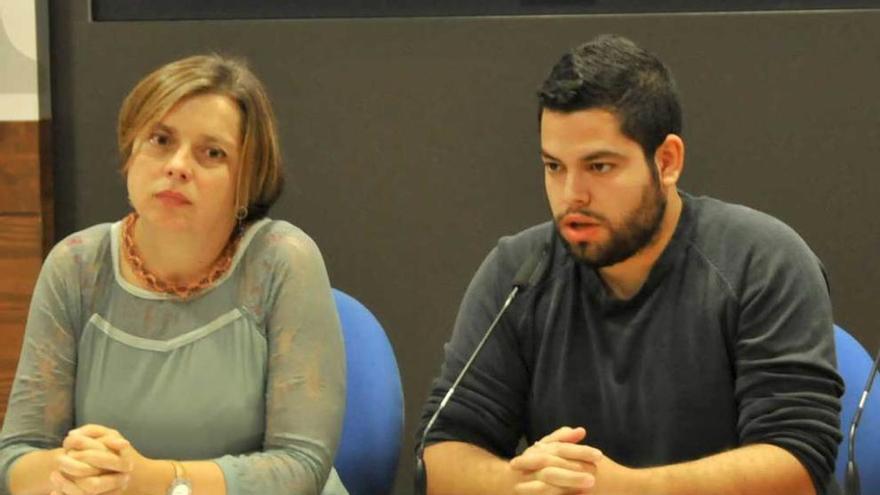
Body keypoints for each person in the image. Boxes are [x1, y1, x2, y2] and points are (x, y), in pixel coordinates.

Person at [417, 34, 843, 495]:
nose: (571, 195)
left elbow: (799, 465)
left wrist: (628, 489)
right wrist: (518, 482)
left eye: (599, 167)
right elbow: (440, 452)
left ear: (667, 161)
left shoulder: (763, 262)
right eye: (554, 166)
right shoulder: (517, 274)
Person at [0, 54, 348, 495]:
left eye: (212, 153)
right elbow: (17, 456)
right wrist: (74, 468)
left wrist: (154, 481)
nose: (178, 165)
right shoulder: (75, 265)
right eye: (161, 140)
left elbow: (301, 467)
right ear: (129, 154)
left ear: (248, 180)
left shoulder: (282, 261)